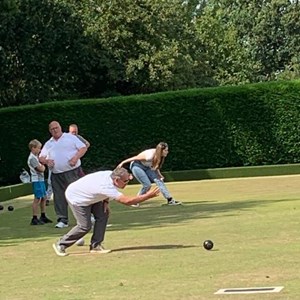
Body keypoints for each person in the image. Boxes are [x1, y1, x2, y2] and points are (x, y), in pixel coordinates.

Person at [52, 167, 160, 256]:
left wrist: (106, 202)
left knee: (103, 215)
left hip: (92, 195)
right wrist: (148, 196)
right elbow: (127, 201)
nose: (127, 183)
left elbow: (101, 191)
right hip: (77, 198)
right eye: (126, 181)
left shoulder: (110, 176)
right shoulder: (106, 186)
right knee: (84, 226)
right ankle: (61, 244)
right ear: (116, 180)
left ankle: (96, 246)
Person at [39, 121, 88, 228]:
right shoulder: (48, 143)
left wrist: (75, 158)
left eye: (56, 128)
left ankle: (88, 216)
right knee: (59, 197)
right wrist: (47, 161)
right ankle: (62, 219)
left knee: (79, 193)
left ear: (60, 128)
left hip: (73, 171)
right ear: (50, 131)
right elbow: (41, 157)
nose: (55, 130)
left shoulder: (70, 138)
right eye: (52, 129)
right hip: (57, 174)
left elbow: (83, 147)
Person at [117, 142, 181, 206]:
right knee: (147, 185)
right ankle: (135, 202)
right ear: (161, 150)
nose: (167, 152)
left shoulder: (160, 156)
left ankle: (170, 200)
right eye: (166, 150)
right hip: (137, 165)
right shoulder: (149, 156)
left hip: (147, 167)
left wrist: (159, 174)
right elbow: (134, 158)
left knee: (159, 180)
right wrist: (122, 163)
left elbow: (156, 166)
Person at [27, 139, 52, 225]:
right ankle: (34, 218)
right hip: (36, 180)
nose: (40, 150)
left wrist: (42, 166)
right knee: (37, 198)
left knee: (44, 197)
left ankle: (43, 215)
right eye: (38, 148)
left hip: (40, 180)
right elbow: (41, 169)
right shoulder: (32, 158)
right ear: (33, 148)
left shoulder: (36, 157)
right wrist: (43, 166)